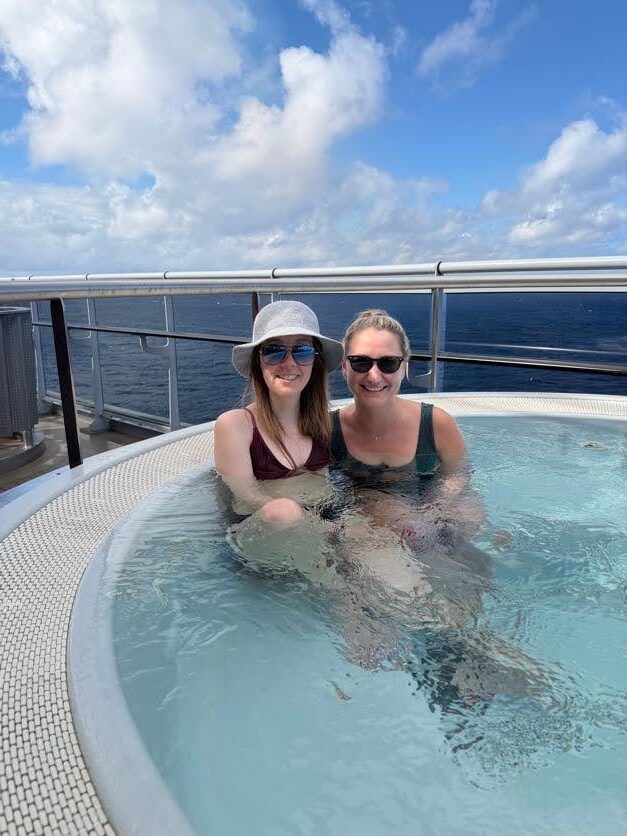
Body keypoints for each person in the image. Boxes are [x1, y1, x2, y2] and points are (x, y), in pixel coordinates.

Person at [214, 300, 343, 526]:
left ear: (315, 361)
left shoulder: (324, 423)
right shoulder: (236, 426)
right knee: (285, 513)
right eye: (274, 351)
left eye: (302, 351)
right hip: (270, 538)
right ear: (258, 362)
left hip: (325, 526)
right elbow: (246, 497)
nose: (289, 363)